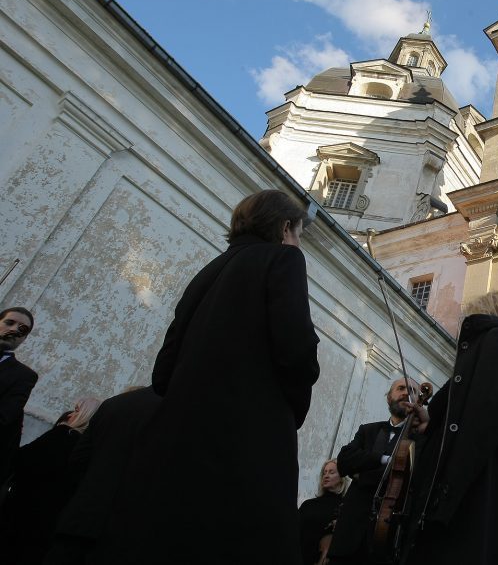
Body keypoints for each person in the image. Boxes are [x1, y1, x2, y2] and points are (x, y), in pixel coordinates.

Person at [93, 189, 321, 565]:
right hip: (249, 438)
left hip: (178, 442)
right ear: (284, 228)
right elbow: (295, 349)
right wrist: (290, 405)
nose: (298, 243)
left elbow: (164, 369)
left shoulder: (209, 270)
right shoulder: (285, 259)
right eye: (298, 233)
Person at [402, 290, 498, 565]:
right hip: (471, 489)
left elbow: (481, 420)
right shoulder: (496, 345)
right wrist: (432, 419)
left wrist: (442, 497)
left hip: (476, 490)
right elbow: (459, 407)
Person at [44, 386, 161, 565]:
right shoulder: (175, 414)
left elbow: (78, 460)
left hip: (79, 520)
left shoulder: (114, 404)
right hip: (123, 536)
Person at [327, 377, 420, 564]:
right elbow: (344, 461)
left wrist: (362, 472)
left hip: (386, 538)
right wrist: (383, 459)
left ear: (418, 402)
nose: (405, 392)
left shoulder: (421, 440)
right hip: (349, 534)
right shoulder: (368, 430)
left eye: (412, 390)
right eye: (400, 388)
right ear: (389, 397)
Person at [0, 397, 101, 565]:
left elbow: (22, 460)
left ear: (85, 416)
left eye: (77, 411)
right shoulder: (88, 450)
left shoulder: (62, 436)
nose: (69, 415)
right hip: (49, 521)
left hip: (24, 509)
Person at [0, 307, 38, 497]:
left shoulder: (23, 376)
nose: (15, 330)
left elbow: (4, 417)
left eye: (23, 330)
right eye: (10, 323)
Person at [298, 458, 349, 565]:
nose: (326, 476)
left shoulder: (346, 508)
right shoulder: (308, 505)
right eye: (324, 472)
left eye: (331, 472)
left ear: (342, 478)